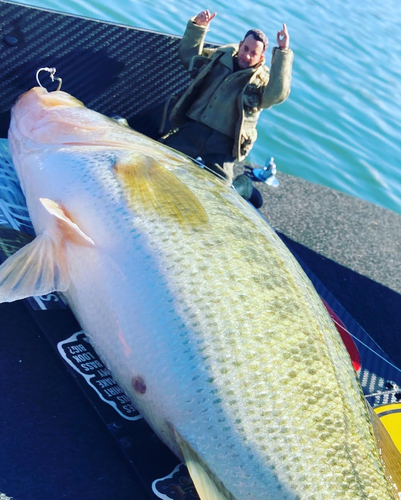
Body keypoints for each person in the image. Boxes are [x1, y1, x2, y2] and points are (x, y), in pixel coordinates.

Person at [162, 10, 293, 206]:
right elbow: (189, 57)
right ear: (240, 45)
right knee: (156, 161)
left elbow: (276, 95)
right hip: (192, 131)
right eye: (245, 49)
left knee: (219, 196)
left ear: (261, 57)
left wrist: (282, 52)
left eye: (253, 53)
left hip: (222, 146)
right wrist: (198, 27)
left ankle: (244, 185)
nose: (247, 55)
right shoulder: (220, 59)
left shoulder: (261, 80)